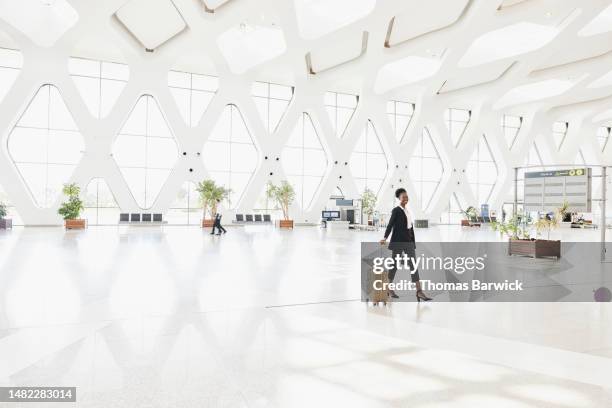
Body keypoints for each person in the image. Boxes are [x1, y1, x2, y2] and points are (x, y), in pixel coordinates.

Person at [379, 188, 432, 302]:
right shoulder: (396, 210)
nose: (406, 199)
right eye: (403, 197)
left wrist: (412, 242)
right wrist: (385, 237)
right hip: (398, 242)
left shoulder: (407, 211)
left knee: (413, 266)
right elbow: (390, 225)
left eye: (407, 197)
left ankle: (419, 291)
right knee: (394, 265)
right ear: (399, 198)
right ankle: (388, 288)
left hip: (408, 242)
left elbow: (410, 227)